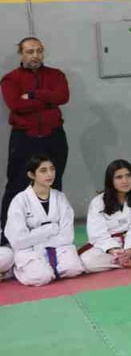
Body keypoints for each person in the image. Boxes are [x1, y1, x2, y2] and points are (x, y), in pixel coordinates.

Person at [2, 37, 71, 238]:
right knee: (16, 183)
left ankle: (55, 230)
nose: (35, 56)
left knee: (53, 182)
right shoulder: (10, 79)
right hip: (24, 138)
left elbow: (63, 97)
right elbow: (15, 105)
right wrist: (48, 99)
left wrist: (32, 95)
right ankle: (6, 232)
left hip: (54, 137)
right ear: (21, 54)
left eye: (39, 51)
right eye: (30, 51)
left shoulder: (56, 75)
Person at [4, 155, 86, 285]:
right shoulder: (20, 201)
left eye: (52, 169)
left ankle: (41, 267)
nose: (49, 174)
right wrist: (50, 229)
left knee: (74, 269)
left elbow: (67, 236)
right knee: (42, 277)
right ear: (31, 175)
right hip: (29, 251)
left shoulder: (60, 198)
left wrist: (33, 236)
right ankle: (16, 269)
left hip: (58, 248)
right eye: (43, 170)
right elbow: (18, 240)